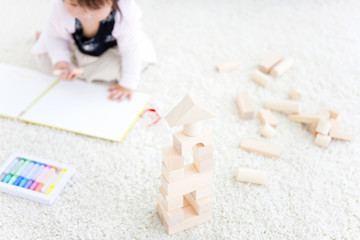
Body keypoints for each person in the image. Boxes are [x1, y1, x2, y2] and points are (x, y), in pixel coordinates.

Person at [32, 0, 156, 101]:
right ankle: (46, 39)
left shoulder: (124, 15)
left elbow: (131, 49)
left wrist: (127, 84)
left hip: (111, 49)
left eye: (96, 8)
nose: (84, 15)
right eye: (74, 4)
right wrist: (61, 61)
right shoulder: (60, 10)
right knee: (46, 61)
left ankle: (81, 70)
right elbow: (56, 38)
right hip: (76, 46)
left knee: (128, 66)